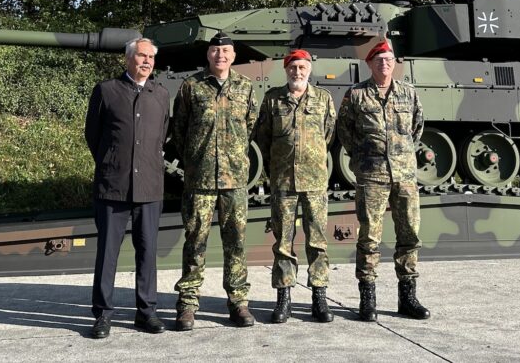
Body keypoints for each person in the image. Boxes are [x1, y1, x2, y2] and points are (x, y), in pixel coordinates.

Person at [336, 40, 430, 322]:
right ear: (369, 64)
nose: (384, 64)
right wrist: (364, 157)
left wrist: (401, 155)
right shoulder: (356, 95)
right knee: (369, 237)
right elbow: (344, 131)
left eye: (388, 60)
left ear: (394, 63)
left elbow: (417, 128)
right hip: (372, 175)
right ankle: (368, 298)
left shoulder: (409, 94)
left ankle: (408, 297)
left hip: (404, 175)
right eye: (379, 60)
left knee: (409, 236)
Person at [171, 31, 258, 330]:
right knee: (195, 241)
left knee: (236, 243)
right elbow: (179, 130)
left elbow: (251, 128)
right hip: (200, 179)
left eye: (226, 51)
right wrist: (196, 158)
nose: (220, 55)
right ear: (208, 55)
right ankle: (187, 303)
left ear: (233, 56)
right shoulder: (191, 86)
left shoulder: (246, 87)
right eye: (215, 50)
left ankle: (238, 302)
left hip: (234, 179)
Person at [84, 37, 170, 339]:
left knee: (147, 252)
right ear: (128, 59)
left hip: (149, 186)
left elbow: (162, 135)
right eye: (141, 56)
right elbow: (92, 135)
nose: (146, 61)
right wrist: (112, 163)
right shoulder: (106, 91)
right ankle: (103, 315)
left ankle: (146, 313)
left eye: (150, 57)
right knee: (107, 253)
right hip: (114, 187)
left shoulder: (160, 94)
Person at [253, 49, 336, 323]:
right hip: (283, 181)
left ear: (309, 69)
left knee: (317, 241)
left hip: (314, 181)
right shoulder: (273, 99)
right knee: (283, 243)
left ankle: (319, 297)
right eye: (292, 67)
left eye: (302, 67)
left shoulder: (323, 99)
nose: (297, 72)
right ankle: (284, 298)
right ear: (285, 70)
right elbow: (262, 138)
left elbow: (329, 135)